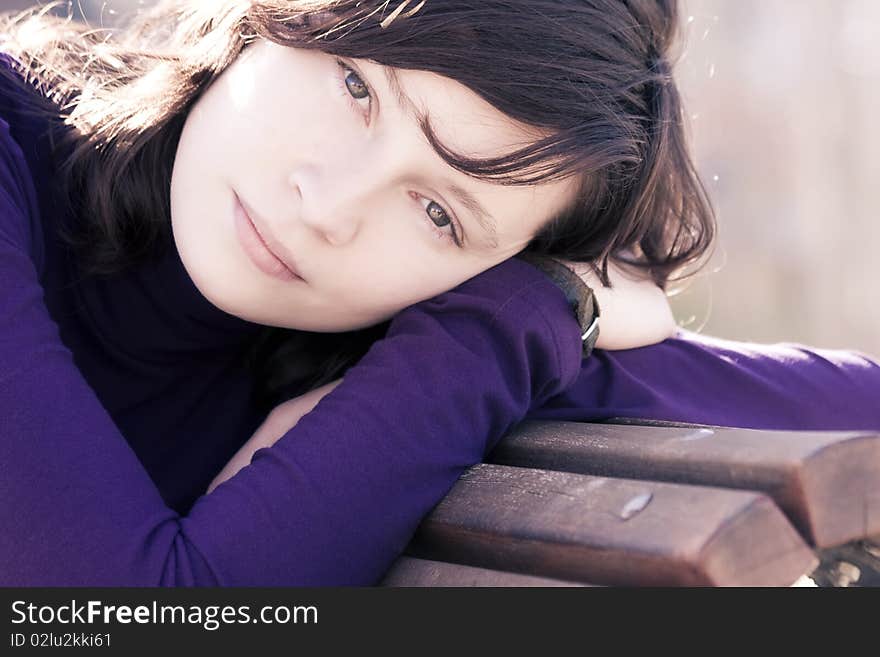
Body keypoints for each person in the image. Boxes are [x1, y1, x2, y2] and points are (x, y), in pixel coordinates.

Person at [0, 1, 876, 586]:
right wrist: (537, 312)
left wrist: (532, 307)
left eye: (437, 213)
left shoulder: (406, 340)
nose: (330, 207)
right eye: (356, 88)